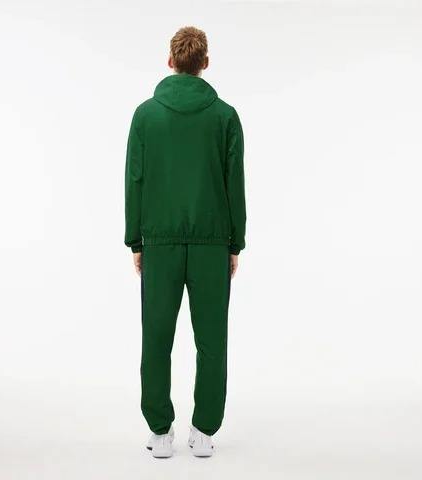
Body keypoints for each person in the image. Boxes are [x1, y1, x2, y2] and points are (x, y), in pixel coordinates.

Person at [124, 26, 246, 458]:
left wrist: (135, 240)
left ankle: (160, 432)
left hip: (160, 241)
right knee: (211, 340)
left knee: (156, 336)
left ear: (170, 61)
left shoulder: (145, 116)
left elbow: (135, 179)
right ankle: (204, 432)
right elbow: (235, 183)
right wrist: (235, 242)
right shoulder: (225, 116)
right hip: (212, 243)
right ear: (205, 63)